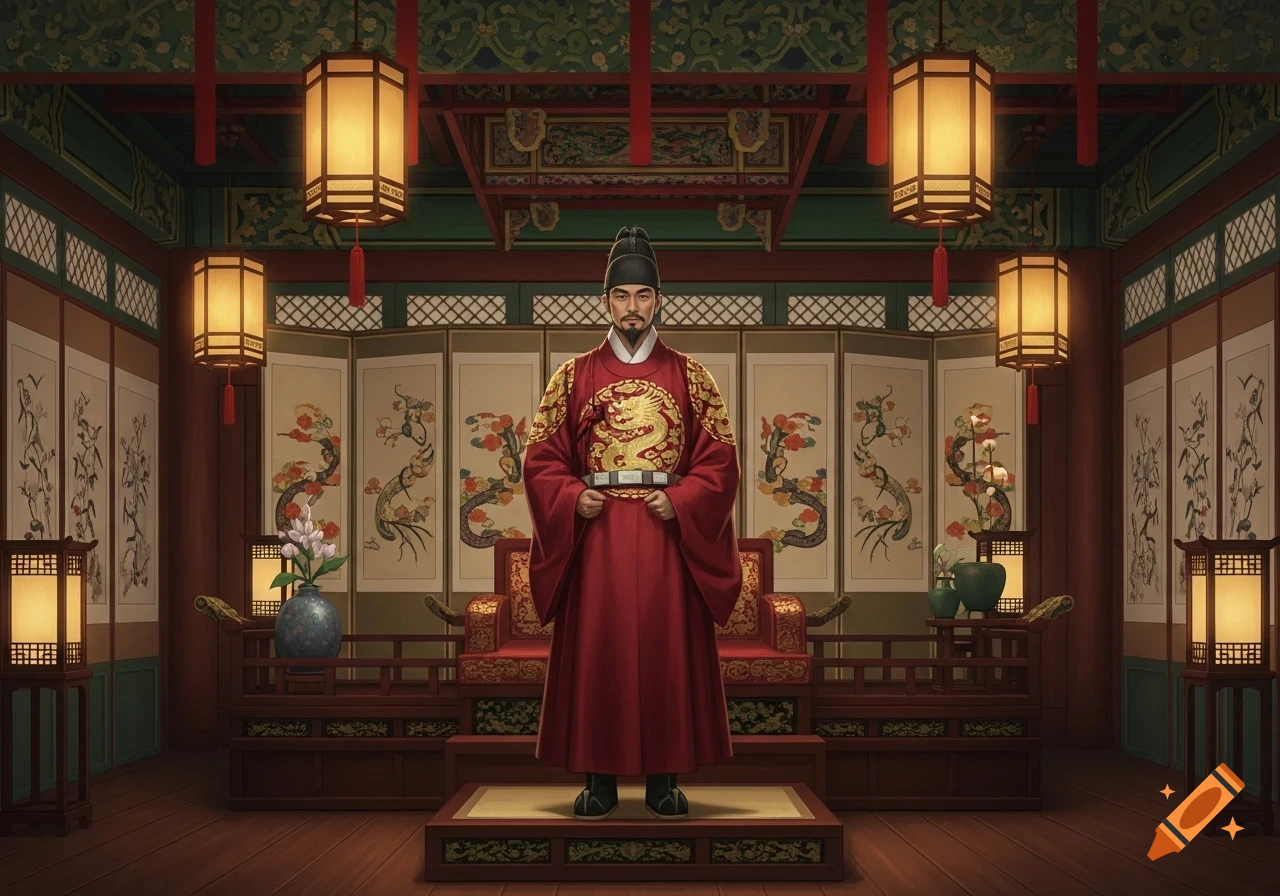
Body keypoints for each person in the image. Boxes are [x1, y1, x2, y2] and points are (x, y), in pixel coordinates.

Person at [522, 227, 742, 821]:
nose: (632, 308)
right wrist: (570, 496)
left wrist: (688, 498)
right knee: (602, 652)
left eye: (643, 295)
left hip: (666, 531)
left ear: (659, 301)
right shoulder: (571, 376)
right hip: (598, 535)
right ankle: (599, 782)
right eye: (622, 296)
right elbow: (541, 456)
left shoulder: (693, 376)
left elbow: (720, 459)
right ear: (606, 302)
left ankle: (664, 781)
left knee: (665, 653)